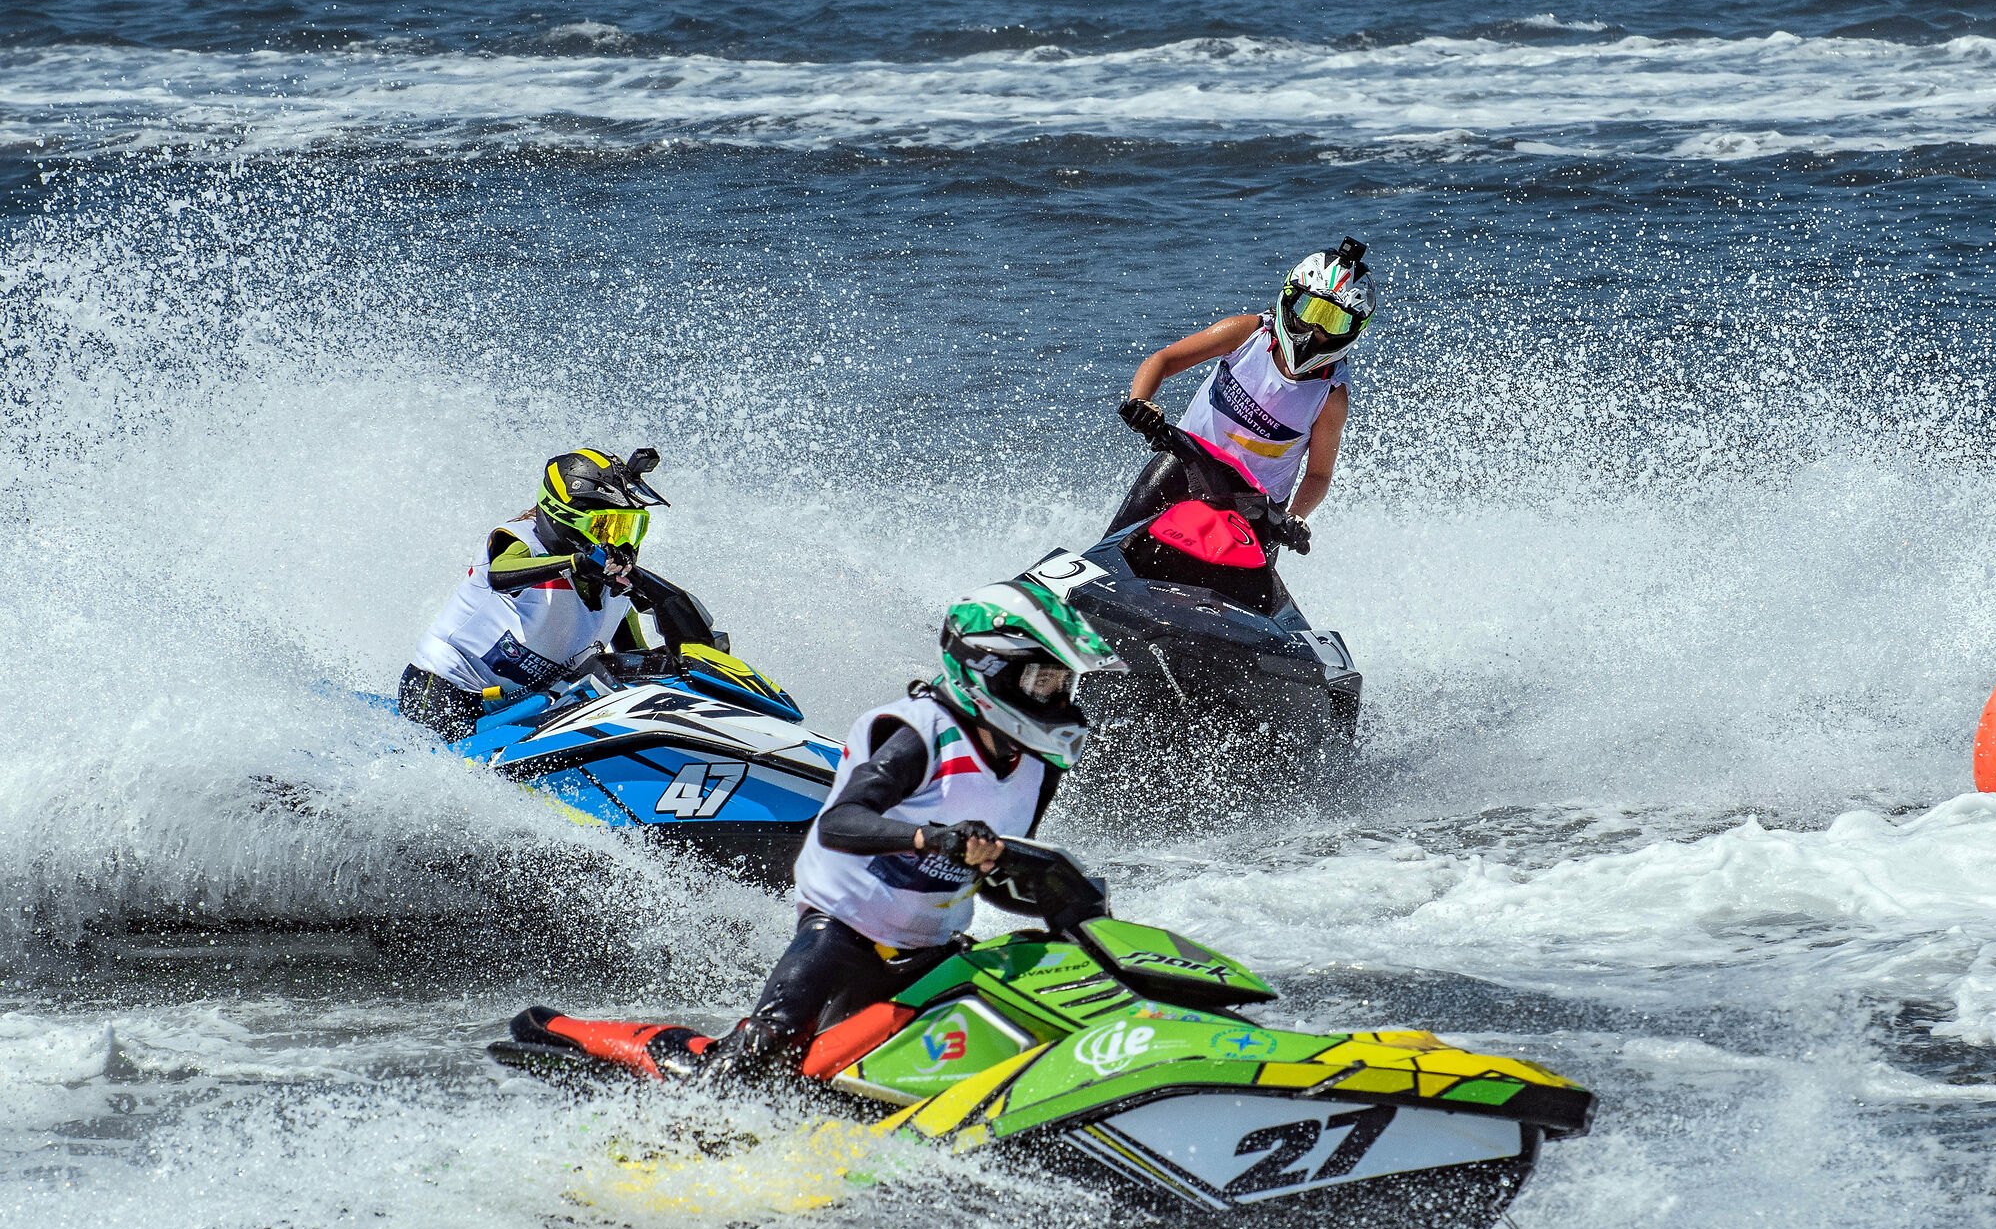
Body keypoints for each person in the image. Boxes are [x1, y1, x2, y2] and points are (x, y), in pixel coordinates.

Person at [703, 579, 1127, 1081]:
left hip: (930, 951)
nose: (1056, 702)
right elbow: (839, 823)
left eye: (1062, 686)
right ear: (986, 668)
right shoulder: (921, 733)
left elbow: (992, 877)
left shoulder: (1039, 765)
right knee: (764, 1051)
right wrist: (935, 838)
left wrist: (1062, 899)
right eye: (1042, 683)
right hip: (840, 934)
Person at [1111, 237, 1377, 541]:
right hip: (1184, 466)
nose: (1314, 329)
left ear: (1354, 329)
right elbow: (1163, 361)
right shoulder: (1245, 333)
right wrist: (1140, 402)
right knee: (1118, 544)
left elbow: (1318, 475)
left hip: (1259, 511)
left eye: (1333, 322)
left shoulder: (1331, 396)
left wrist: (1296, 518)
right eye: (1308, 310)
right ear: (1290, 299)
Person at [400, 447, 670, 740]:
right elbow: (500, 575)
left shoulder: (616, 592)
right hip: (445, 689)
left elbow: (631, 658)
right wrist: (575, 563)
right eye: (605, 527)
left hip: (519, 710)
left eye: (629, 528)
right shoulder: (521, 541)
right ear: (565, 518)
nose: (618, 543)